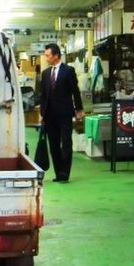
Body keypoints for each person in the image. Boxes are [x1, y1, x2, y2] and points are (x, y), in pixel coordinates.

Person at [34, 43, 84, 182]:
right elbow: (43, 95)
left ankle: (65, 173)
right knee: (54, 145)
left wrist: (79, 109)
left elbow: (75, 91)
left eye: (48, 55)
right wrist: (42, 114)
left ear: (56, 56)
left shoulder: (68, 71)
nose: (46, 58)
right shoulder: (45, 73)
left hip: (65, 114)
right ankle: (58, 173)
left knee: (66, 143)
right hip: (50, 116)